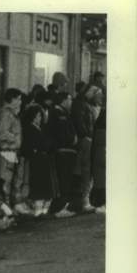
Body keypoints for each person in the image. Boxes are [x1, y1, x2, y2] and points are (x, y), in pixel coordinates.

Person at [46, 91, 79, 218]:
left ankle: (62, 206)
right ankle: (59, 208)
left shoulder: (64, 113)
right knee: (63, 179)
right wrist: (71, 139)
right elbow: (61, 133)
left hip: (67, 151)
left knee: (66, 179)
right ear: (63, 100)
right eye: (69, 99)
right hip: (62, 151)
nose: (71, 102)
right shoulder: (57, 113)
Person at [0, 89, 27, 213]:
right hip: (7, 150)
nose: (20, 101)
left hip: (11, 150)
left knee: (11, 178)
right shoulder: (7, 114)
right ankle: (5, 207)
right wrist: (15, 138)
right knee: (5, 179)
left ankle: (9, 206)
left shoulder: (12, 113)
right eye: (18, 99)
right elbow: (2, 132)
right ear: (11, 99)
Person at [72, 84, 101, 213]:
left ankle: (84, 201)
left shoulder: (84, 105)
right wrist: (87, 136)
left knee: (87, 172)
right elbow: (80, 123)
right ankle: (84, 202)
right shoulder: (81, 105)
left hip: (87, 140)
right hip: (86, 141)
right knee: (86, 171)